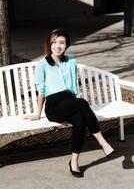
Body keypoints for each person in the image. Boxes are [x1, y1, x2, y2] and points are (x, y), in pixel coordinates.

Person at [26, 29, 115, 178]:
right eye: (54, 42)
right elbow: (41, 91)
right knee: (82, 103)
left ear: (66, 45)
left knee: (80, 118)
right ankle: (102, 142)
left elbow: (74, 87)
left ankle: (74, 162)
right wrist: (37, 113)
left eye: (61, 43)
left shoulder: (71, 61)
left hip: (70, 102)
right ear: (49, 43)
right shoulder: (42, 64)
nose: (58, 46)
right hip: (54, 106)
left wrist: (77, 101)